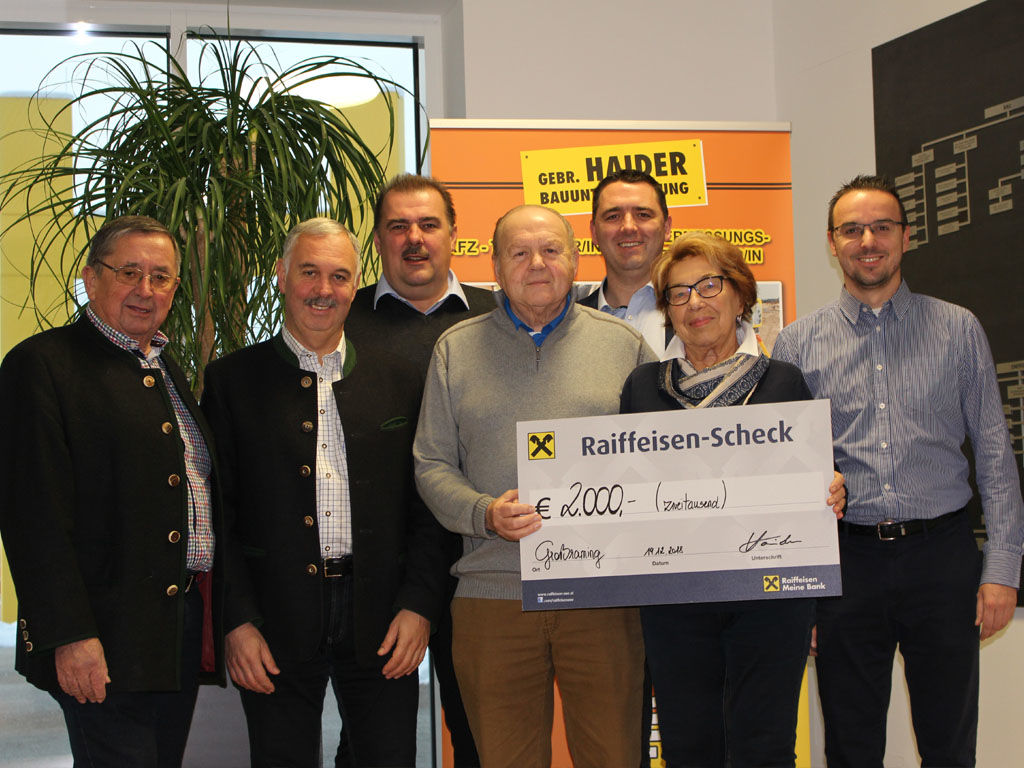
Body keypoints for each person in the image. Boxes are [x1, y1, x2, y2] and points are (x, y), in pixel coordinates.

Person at [772, 174, 1024, 768]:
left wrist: (1002, 568)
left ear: (906, 237)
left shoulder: (958, 329)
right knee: (851, 745)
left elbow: (994, 454)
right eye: (851, 230)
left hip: (942, 559)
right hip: (845, 566)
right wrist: (800, 593)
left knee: (949, 743)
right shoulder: (796, 344)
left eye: (881, 227)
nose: (868, 241)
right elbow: (785, 476)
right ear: (832, 243)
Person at [414, 204, 657, 768]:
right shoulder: (454, 349)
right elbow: (431, 462)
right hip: (493, 595)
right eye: (519, 253)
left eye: (551, 250)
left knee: (615, 758)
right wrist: (483, 512)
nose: (537, 264)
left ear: (575, 259)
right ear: (495, 266)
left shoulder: (623, 346)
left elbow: (659, 459)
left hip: (603, 597)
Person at [201, 218, 449, 768]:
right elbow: (220, 516)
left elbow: (428, 504)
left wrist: (419, 605)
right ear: (281, 275)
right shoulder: (231, 382)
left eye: (339, 276)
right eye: (309, 272)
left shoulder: (402, 378)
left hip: (382, 618)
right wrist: (237, 621)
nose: (323, 290)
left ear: (356, 284)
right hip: (274, 620)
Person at [0, 215, 223, 768]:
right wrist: (70, 636)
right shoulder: (42, 365)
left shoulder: (164, 366)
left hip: (171, 635)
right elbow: (33, 518)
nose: (146, 289)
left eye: (161, 277)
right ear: (90, 277)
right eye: (129, 272)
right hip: (102, 637)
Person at [619, 231, 846, 768]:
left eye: (709, 286)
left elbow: (818, 479)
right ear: (667, 311)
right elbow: (625, 490)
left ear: (741, 295)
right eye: (678, 293)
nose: (694, 303)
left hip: (771, 602)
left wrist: (834, 490)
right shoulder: (643, 388)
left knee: (764, 747)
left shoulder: (785, 383)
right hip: (675, 603)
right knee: (688, 747)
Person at [342, 174, 494, 768]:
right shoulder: (342, 320)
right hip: (376, 569)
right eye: (398, 226)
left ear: (454, 234)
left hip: (480, 558)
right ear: (378, 238)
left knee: (482, 738)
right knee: (370, 746)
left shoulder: (497, 315)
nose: (414, 238)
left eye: (429, 224)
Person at [580, 169, 673, 357]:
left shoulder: (697, 313)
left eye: (643, 215)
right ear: (594, 232)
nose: (628, 227)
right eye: (613, 216)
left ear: (666, 228)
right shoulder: (567, 322)